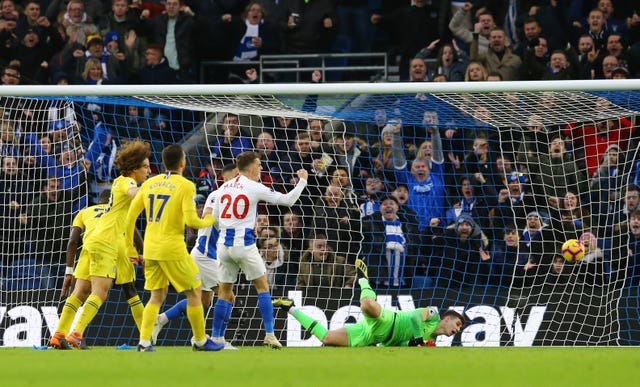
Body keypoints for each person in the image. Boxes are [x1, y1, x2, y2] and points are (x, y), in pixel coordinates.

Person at [49, 140, 151, 350]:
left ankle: (59, 334)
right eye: (146, 167)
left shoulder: (116, 188)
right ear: (134, 168)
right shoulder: (127, 182)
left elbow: (131, 223)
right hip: (108, 242)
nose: (149, 170)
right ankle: (76, 333)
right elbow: (135, 194)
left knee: (81, 291)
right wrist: (157, 189)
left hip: (96, 242)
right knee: (102, 292)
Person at [127, 144, 222, 352]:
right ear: (182, 162)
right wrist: (209, 219)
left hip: (151, 249)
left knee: (156, 296)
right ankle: (200, 340)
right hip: (173, 250)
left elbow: (130, 217)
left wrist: (131, 248)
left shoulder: (149, 183)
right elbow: (192, 221)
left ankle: (143, 342)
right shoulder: (186, 185)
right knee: (195, 292)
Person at [210, 151, 309, 349]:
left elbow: (215, 218)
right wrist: (302, 181)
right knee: (263, 286)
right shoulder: (254, 187)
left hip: (223, 246)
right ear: (251, 168)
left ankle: (216, 338)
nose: (262, 168)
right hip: (244, 245)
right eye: (259, 164)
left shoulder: (223, 188)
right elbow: (288, 200)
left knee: (224, 292)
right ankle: (270, 334)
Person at [273, 259, 464, 347]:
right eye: (457, 324)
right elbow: (415, 315)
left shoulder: (432, 340)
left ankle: (290, 308)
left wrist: (414, 345)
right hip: (389, 321)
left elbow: (402, 344)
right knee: (367, 305)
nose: (456, 329)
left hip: (373, 336)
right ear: (447, 318)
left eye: (459, 328)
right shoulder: (434, 315)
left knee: (327, 339)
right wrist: (417, 338)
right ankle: (364, 280)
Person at [150, 163, 239, 349]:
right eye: (238, 175)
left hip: (209, 255)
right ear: (228, 177)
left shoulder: (234, 198)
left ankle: (161, 319)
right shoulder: (217, 195)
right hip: (206, 255)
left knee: (203, 300)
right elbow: (206, 214)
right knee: (228, 295)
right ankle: (217, 339)